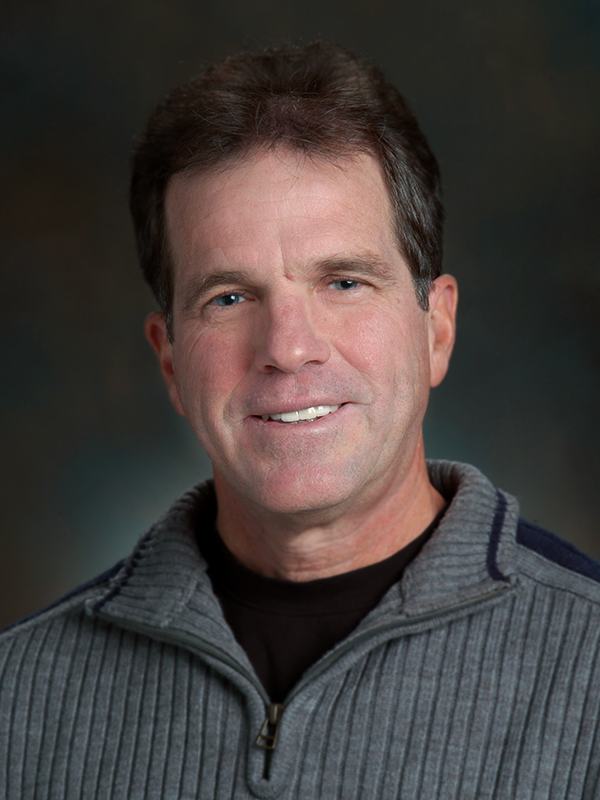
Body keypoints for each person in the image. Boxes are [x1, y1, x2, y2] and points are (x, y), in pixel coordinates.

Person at [1, 41, 599, 800]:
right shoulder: (18, 693)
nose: (286, 349)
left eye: (344, 282)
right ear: (171, 362)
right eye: (228, 298)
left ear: (437, 329)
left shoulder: (588, 665)